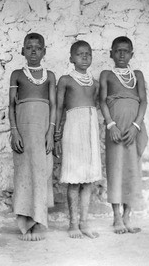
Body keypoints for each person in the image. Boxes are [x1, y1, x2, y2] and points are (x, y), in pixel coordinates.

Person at [9, 32, 56, 241]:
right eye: (29, 47)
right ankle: (25, 221)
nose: (33, 51)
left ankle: (38, 222)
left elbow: (54, 105)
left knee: (42, 173)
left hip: (43, 131)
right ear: (22, 51)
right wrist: (14, 131)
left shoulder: (50, 76)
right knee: (24, 174)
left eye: (38, 47)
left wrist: (51, 133)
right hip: (24, 133)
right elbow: (11, 105)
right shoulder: (16, 74)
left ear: (44, 51)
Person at [99, 36, 148, 234]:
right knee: (115, 170)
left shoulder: (137, 74)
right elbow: (102, 101)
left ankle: (128, 216)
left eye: (125, 51)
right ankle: (117, 217)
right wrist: (111, 125)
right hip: (116, 130)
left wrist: (136, 126)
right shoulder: (106, 75)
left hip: (133, 128)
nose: (121, 54)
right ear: (111, 53)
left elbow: (143, 101)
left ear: (131, 54)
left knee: (132, 170)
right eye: (117, 51)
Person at [55, 40, 102, 239]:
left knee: (89, 180)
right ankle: (73, 223)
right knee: (74, 180)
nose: (84, 57)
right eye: (80, 54)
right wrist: (56, 133)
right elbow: (58, 108)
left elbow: (97, 106)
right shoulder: (65, 80)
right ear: (71, 58)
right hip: (73, 129)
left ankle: (84, 221)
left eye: (88, 54)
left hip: (90, 129)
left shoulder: (95, 84)